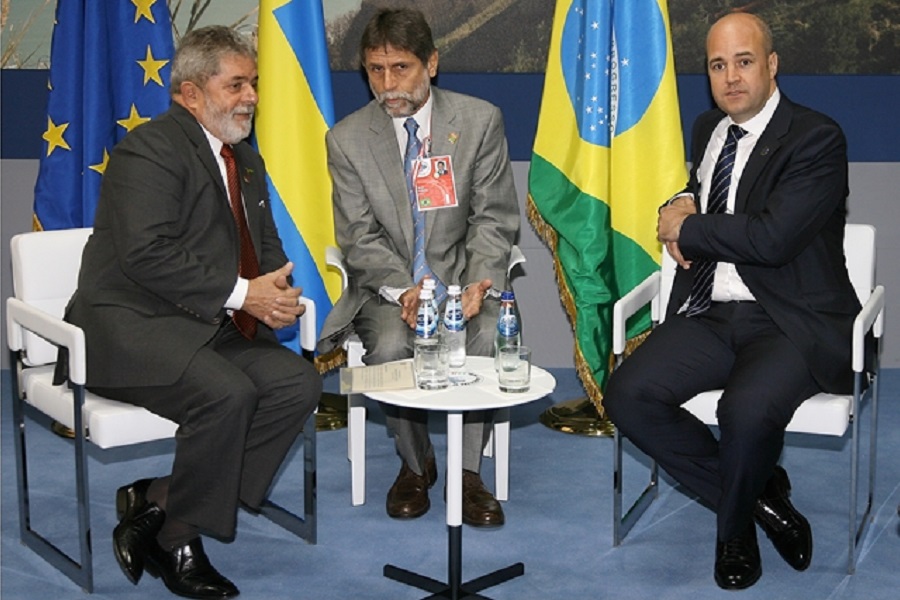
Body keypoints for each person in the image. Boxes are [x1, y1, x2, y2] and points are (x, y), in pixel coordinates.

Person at [63, 26, 321, 599]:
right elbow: (146, 253)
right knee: (228, 394)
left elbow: (265, 248)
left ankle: (159, 498)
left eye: (253, 83)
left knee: (297, 384)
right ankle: (178, 537)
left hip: (205, 324)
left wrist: (275, 292)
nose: (251, 96)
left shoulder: (244, 159)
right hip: (129, 324)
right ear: (191, 94)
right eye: (237, 85)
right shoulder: (149, 150)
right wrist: (244, 295)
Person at [604, 12, 859, 590]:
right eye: (718, 65)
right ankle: (757, 498)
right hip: (712, 313)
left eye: (744, 62)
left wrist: (686, 227)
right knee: (627, 394)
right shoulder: (708, 129)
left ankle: (733, 533)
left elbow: (772, 238)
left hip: (788, 319)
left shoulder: (816, 138)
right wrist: (680, 204)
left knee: (744, 411)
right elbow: (712, 195)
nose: (731, 77)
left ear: (772, 65)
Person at [318, 8, 520, 527]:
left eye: (401, 68)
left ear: (431, 64)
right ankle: (416, 463)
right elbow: (358, 236)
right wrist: (406, 290)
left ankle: (467, 474)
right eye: (375, 70)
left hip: (462, 280)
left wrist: (477, 284)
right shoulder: (346, 139)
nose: (388, 84)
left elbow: (493, 219)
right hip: (391, 290)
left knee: (486, 333)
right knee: (388, 345)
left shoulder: (479, 121)